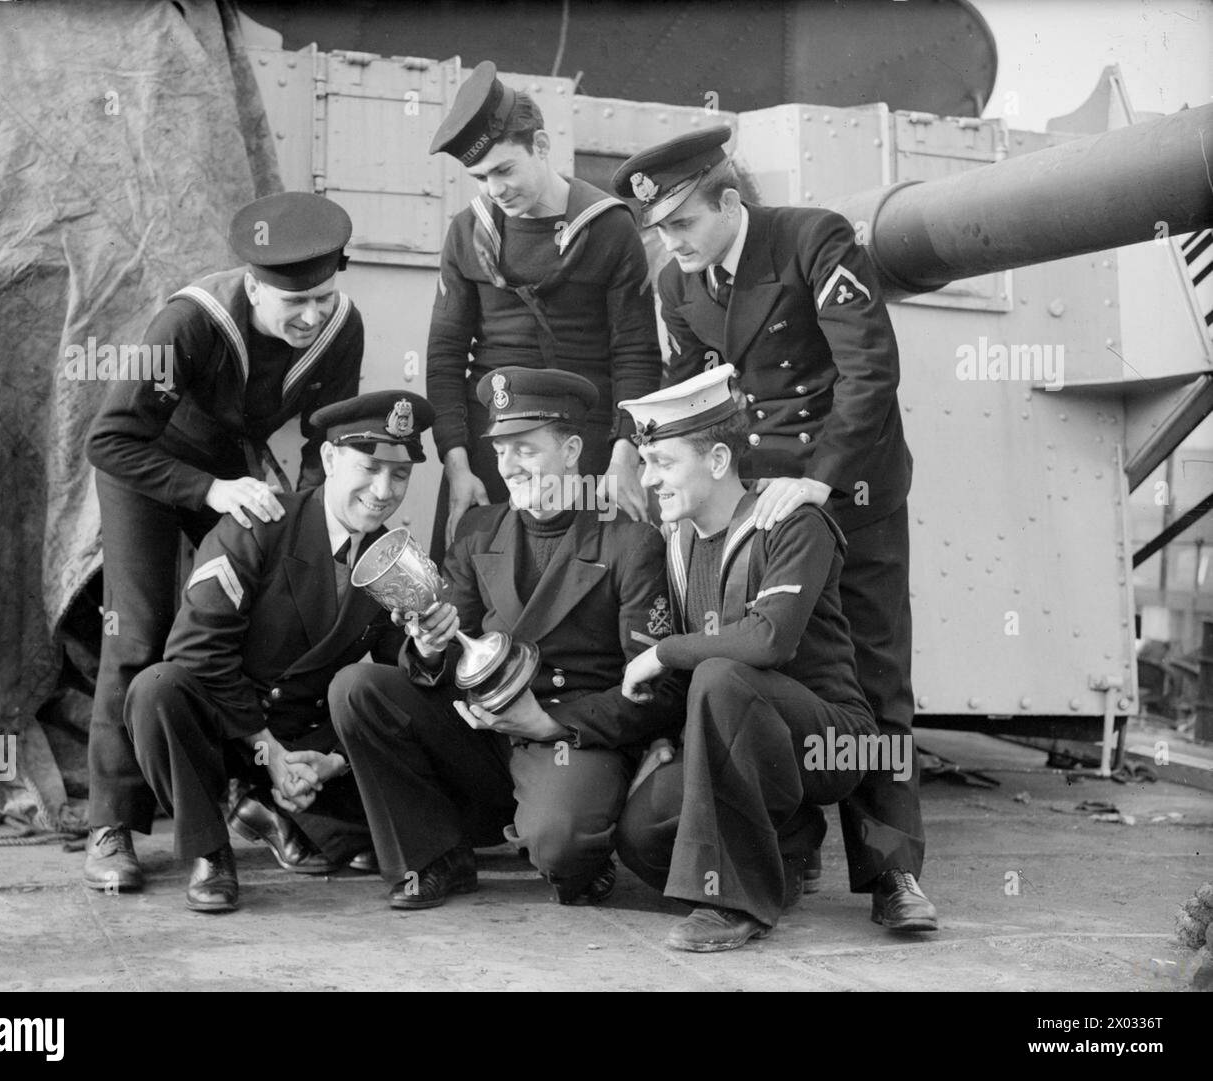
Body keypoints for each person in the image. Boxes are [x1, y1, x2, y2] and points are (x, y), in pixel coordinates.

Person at [613, 127, 937, 933]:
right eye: (659, 229)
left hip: (849, 491)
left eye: (682, 223)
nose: (670, 242)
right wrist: (642, 450)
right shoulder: (676, 284)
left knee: (873, 677)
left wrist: (819, 477)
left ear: (730, 201)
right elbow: (686, 388)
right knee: (756, 668)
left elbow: (869, 369)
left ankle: (893, 871)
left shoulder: (813, 240)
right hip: (757, 509)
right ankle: (780, 845)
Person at [83, 191, 364, 893]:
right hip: (149, 467)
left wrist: (310, 517)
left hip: (231, 467)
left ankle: (245, 793)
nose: (311, 317)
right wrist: (210, 492)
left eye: (323, 299)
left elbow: (325, 439)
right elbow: (109, 439)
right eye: (291, 304)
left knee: (250, 618)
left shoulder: (340, 326)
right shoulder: (190, 322)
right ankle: (111, 820)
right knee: (141, 632)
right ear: (252, 286)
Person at [330, 368, 682, 909]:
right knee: (359, 688)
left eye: (526, 449)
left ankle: (582, 846)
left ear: (571, 450)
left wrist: (551, 722)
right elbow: (447, 651)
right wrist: (427, 646)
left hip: (565, 733)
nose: (509, 466)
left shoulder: (629, 542)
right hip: (483, 732)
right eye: (500, 450)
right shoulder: (477, 531)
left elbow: (655, 690)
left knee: (562, 852)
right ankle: (433, 856)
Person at [124, 392, 435, 911]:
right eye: (371, 467)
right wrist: (268, 753)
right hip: (228, 728)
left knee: (421, 804)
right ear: (331, 460)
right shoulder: (260, 522)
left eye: (400, 475)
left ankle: (276, 810)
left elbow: (397, 674)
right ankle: (210, 852)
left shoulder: (392, 557)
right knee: (156, 690)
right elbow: (197, 652)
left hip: (302, 736)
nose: (384, 491)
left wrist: (332, 759)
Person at [615, 365, 876, 952]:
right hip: (738, 734)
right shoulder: (678, 539)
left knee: (721, 673)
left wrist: (664, 652)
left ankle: (734, 904)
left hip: (826, 740)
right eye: (646, 461)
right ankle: (788, 845)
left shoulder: (791, 522)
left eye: (663, 462)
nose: (649, 478)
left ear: (715, 461)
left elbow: (768, 642)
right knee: (641, 837)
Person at [425, 60, 661, 562]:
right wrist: (458, 465)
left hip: (589, 443)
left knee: (592, 583)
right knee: (472, 586)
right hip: (493, 445)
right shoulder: (467, 233)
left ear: (541, 147)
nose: (495, 189)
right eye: (481, 177)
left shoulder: (609, 229)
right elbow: (445, 358)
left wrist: (626, 456)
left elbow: (636, 354)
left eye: (505, 170)